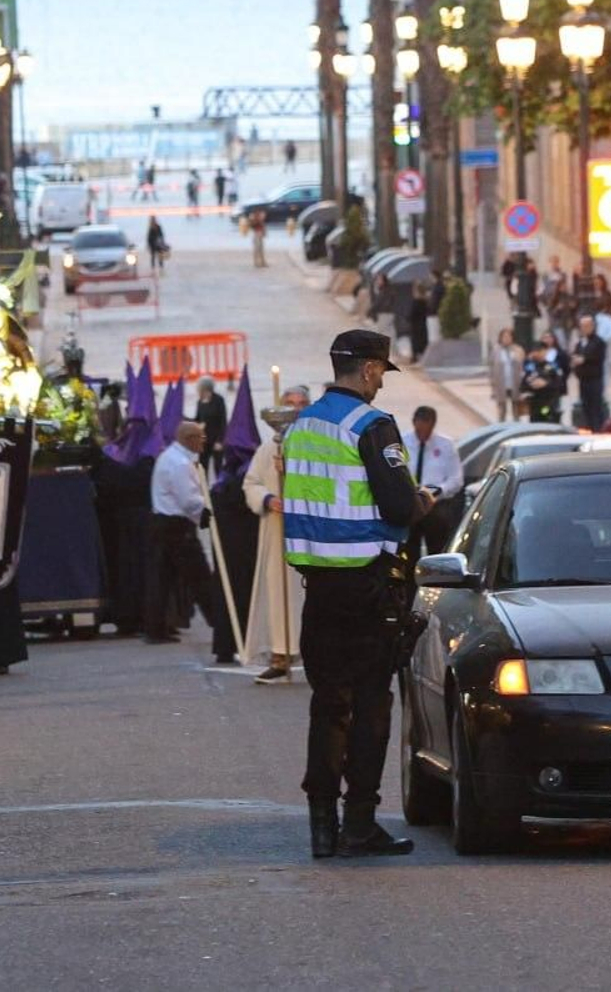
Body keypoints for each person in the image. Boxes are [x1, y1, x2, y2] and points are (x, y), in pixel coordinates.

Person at [282, 330, 434, 858]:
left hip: (318, 590)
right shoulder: (372, 425)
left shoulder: (301, 426)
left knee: (328, 708)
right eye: (380, 373)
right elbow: (397, 507)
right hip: (367, 587)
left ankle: (321, 825)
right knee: (370, 707)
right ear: (370, 370)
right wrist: (423, 503)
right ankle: (360, 823)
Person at [242, 385, 309, 683]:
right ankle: (281, 653)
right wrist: (269, 499)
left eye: (301, 403)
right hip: (277, 530)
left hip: (310, 533)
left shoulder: (317, 444)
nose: (295, 408)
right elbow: (252, 483)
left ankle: (312, 652)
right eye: (289, 403)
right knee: (279, 592)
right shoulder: (269, 448)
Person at [145, 421, 227, 657]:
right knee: (200, 577)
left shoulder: (171, 457)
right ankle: (219, 623)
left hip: (164, 523)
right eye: (201, 437)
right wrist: (210, 512)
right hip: (176, 527)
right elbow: (190, 500)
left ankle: (156, 627)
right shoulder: (180, 464)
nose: (204, 441)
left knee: (162, 579)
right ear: (189, 438)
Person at [403, 406, 464, 555]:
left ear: (433, 424)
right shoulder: (402, 442)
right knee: (408, 553)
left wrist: (438, 491)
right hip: (410, 505)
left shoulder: (446, 445)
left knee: (437, 552)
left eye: (427, 429)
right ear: (413, 422)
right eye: (419, 429)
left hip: (436, 507)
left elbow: (456, 479)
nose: (423, 434)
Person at [571, 314, 608, 431]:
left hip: (595, 379)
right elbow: (575, 356)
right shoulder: (580, 343)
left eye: (587, 326)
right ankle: (590, 428)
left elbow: (596, 357)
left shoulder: (599, 342)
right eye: (582, 326)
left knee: (596, 406)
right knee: (586, 406)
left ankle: (598, 429)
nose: (584, 328)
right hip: (583, 379)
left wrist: (584, 359)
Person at [521, 344, 566, 424]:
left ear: (545, 352)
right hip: (535, 405)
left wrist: (546, 384)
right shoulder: (530, 367)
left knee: (549, 425)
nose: (537, 354)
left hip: (549, 404)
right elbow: (523, 385)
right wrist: (531, 386)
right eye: (535, 351)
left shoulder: (552, 367)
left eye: (540, 351)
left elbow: (560, 384)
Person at [194, 376, 227, 473]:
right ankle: (204, 487)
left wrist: (220, 441)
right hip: (204, 440)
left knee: (218, 467)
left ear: (206, 390)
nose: (199, 392)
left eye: (200, 389)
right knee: (203, 467)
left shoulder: (219, 400)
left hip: (217, 440)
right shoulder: (199, 402)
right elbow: (198, 419)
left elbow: (223, 421)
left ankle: (220, 488)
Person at [489, 328, 522, 422]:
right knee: (502, 410)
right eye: (504, 337)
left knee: (516, 409)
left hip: (514, 383)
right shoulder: (496, 350)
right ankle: (501, 427)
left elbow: (521, 364)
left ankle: (516, 427)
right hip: (501, 384)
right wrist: (492, 385)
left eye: (509, 336)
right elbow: (491, 368)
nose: (506, 339)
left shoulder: (517, 349)